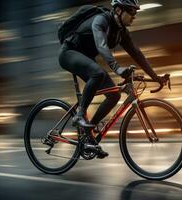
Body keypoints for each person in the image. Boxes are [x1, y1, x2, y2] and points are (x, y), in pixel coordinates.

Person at [58, 0, 163, 157]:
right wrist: (117, 68)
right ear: (119, 11)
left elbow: (138, 55)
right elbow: (101, 46)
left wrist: (156, 77)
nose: (134, 16)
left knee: (114, 95)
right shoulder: (101, 20)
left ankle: (88, 135)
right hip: (69, 53)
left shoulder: (121, 32)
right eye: (132, 12)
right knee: (98, 73)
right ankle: (79, 115)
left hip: (86, 58)